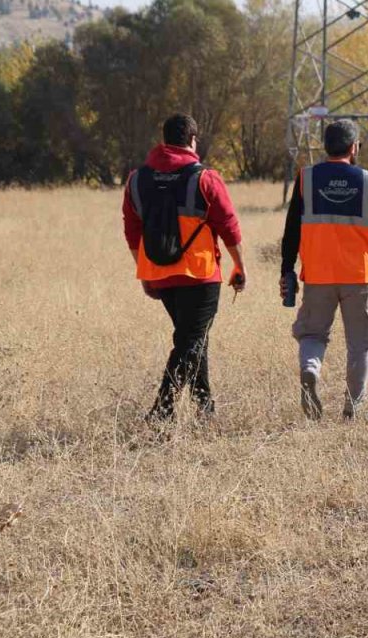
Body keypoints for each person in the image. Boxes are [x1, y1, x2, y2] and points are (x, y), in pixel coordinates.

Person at [122, 114, 247, 422]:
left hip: (160, 275)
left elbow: (131, 230)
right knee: (190, 341)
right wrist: (240, 265)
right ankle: (161, 412)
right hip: (200, 274)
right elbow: (229, 226)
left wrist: (144, 271)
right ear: (193, 141)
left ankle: (206, 410)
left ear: (164, 140)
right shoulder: (205, 177)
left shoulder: (137, 179)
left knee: (193, 338)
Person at [280, 119, 368, 421]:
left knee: (312, 333)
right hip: (359, 276)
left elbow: (291, 230)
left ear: (326, 146)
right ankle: (351, 410)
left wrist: (286, 269)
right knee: (361, 342)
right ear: (354, 147)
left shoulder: (305, 179)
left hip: (318, 274)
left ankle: (310, 370)